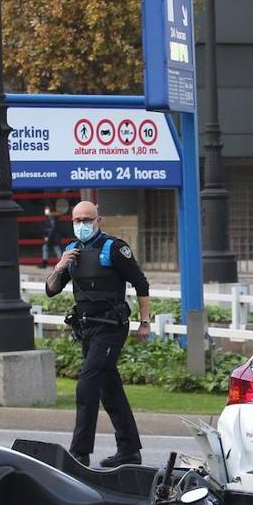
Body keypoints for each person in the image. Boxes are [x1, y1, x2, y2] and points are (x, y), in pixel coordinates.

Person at [46, 201, 151, 469]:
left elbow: (140, 282)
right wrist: (60, 266)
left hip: (111, 327)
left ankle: (79, 453)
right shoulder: (71, 251)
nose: (82, 224)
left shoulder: (114, 249)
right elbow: (51, 290)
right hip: (87, 328)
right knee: (109, 388)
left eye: (87, 219)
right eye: (77, 220)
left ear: (98, 220)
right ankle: (129, 450)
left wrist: (145, 322)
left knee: (87, 385)